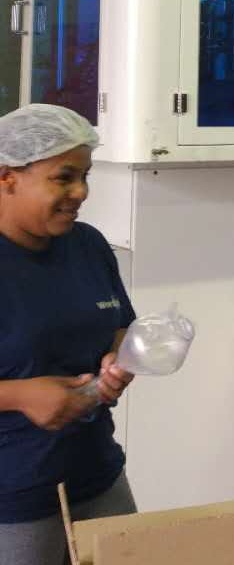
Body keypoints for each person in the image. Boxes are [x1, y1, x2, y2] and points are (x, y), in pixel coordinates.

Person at [0, 104, 136, 565]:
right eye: (64, 177)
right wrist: (19, 395)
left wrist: (118, 361)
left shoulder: (89, 245)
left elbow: (117, 324)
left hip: (98, 476)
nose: (81, 192)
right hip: (13, 499)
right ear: (7, 176)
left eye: (86, 176)